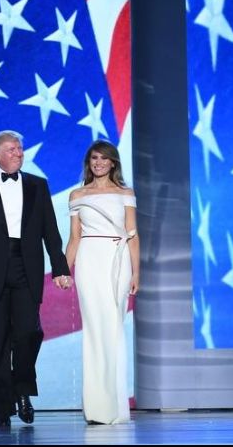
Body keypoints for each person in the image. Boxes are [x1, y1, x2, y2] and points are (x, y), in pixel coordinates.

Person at [0, 130, 72, 428]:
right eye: (11, 149)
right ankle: (1, 408)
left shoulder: (38, 185)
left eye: (20, 148)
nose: (18, 153)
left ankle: (22, 390)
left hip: (26, 267)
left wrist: (60, 268)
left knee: (28, 333)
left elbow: (51, 231)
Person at [63, 139, 139, 425]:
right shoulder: (76, 195)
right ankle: (97, 407)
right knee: (95, 330)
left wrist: (136, 273)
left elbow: (133, 235)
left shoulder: (125, 193)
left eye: (104, 159)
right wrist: (62, 269)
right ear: (89, 162)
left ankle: (116, 406)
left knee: (113, 328)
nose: (98, 163)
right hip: (88, 261)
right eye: (94, 158)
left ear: (113, 163)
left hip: (117, 261)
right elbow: (74, 238)